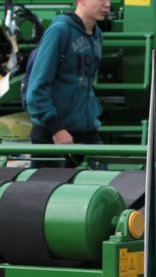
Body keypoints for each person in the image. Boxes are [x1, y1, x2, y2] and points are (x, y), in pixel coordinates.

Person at [26, 0, 109, 167]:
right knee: (50, 192)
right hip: (53, 136)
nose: (107, 4)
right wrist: (56, 129)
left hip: (86, 133)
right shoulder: (59, 31)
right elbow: (36, 89)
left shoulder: (97, 35)